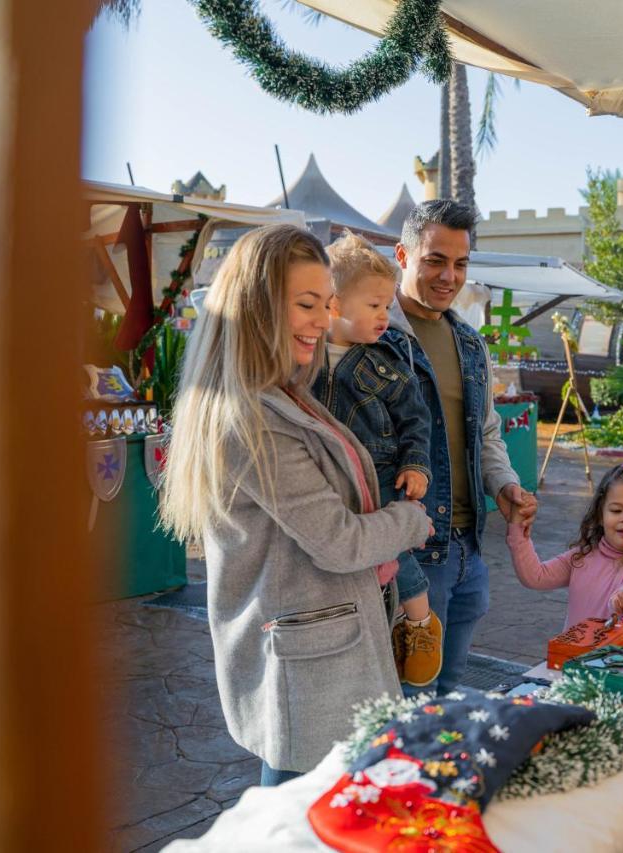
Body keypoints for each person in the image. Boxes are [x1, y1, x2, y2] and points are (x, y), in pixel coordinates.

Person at [159, 225, 432, 785]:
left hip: (321, 658)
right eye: (307, 304)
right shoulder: (253, 418)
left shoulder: (279, 397)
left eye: (328, 304)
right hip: (309, 673)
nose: (323, 319)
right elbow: (339, 541)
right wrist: (409, 522)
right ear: (255, 309)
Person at [385, 199, 538, 695]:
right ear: (403, 256)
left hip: (471, 548)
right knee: (407, 706)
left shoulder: (471, 344)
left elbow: (487, 433)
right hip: (409, 552)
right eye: (435, 260)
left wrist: (507, 485)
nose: (450, 276)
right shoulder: (377, 338)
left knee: (448, 698)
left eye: (460, 263)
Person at [310, 232, 442, 688]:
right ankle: (382, 626)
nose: (385, 315)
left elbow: (416, 419)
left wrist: (416, 464)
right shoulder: (301, 358)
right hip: (327, 480)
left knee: (391, 547)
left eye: (388, 306)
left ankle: (421, 623)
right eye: (375, 306)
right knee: (353, 559)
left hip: (381, 473)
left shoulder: (383, 363)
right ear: (333, 304)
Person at [505, 462, 623, 629]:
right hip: (570, 654)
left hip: (606, 657)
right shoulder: (581, 556)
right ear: (600, 514)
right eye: (616, 510)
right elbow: (536, 577)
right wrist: (518, 528)